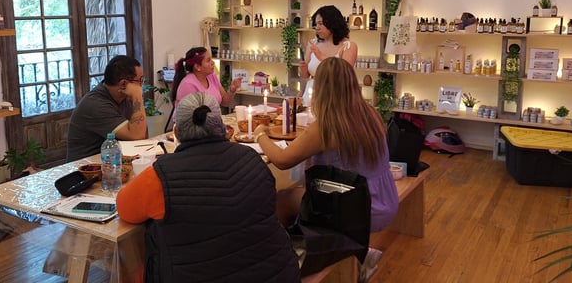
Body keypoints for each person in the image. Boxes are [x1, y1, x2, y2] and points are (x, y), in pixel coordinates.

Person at [116, 92, 300, 282]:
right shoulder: (252, 159)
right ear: (222, 127)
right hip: (279, 274)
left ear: (176, 133)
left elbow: (124, 207)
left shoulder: (160, 177)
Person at [255, 57, 398, 280]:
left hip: (357, 207)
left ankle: (283, 264)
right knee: (301, 196)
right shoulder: (370, 114)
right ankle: (351, 252)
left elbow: (282, 160)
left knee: (282, 199)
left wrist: (260, 135)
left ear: (320, 88)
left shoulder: (327, 126)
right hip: (384, 199)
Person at [65, 55, 147, 162]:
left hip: (112, 161)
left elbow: (142, 135)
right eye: (140, 80)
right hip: (85, 169)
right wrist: (137, 96)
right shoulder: (96, 104)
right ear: (123, 84)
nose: (142, 84)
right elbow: (137, 135)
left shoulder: (124, 97)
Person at [300, 5, 358, 107]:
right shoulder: (313, 43)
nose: (317, 27)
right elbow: (306, 76)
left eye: (321, 24)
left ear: (333, 24)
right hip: (312, 94)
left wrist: (321, 56)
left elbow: (344, 74)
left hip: (335, 96)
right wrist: (303, 70)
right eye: (316, 24)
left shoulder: (348, 46)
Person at [170, 46, 242, 108]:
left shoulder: (211, 76)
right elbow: (189, 116)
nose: (212, 62)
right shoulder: (188, 85)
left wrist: (232, 90)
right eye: (208, 60)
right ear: (197, 66)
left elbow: (225, 102)